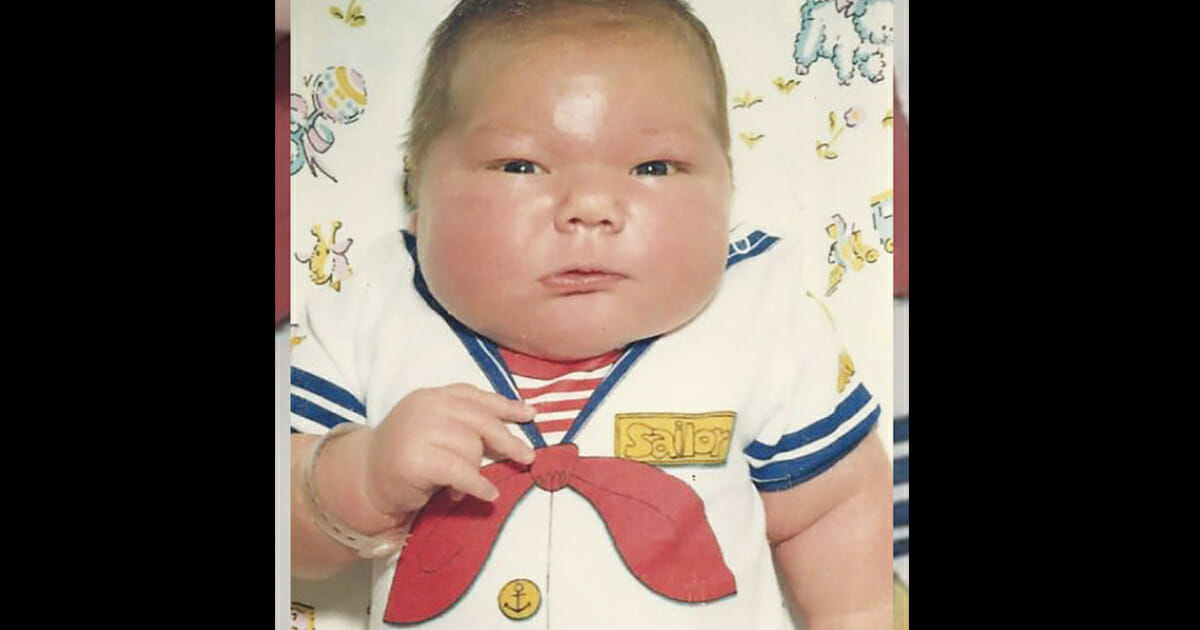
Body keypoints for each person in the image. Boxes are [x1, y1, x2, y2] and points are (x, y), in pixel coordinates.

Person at [289, 1, 892, 628]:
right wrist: (360, 479)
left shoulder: (759, 317)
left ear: (727, 192)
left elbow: (831, 506)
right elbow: (294, 545)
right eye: (520, 166)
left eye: (654, 167)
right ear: (420, 194)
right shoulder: (376, 308)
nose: (590, 205)